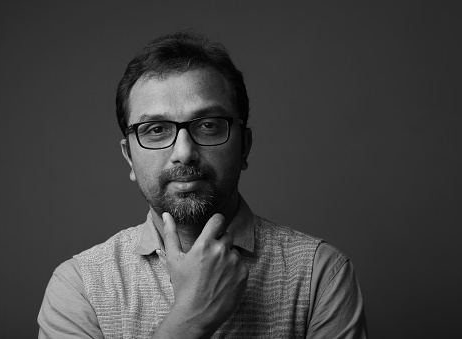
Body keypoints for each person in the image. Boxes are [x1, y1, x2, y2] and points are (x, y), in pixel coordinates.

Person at [38, 31, 367, 338]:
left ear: (244, 147)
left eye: (208, 125)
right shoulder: (79, 285)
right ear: (129, 157)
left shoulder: (321, 274)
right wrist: (191, 316)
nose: (184, 153)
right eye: (156, 129)